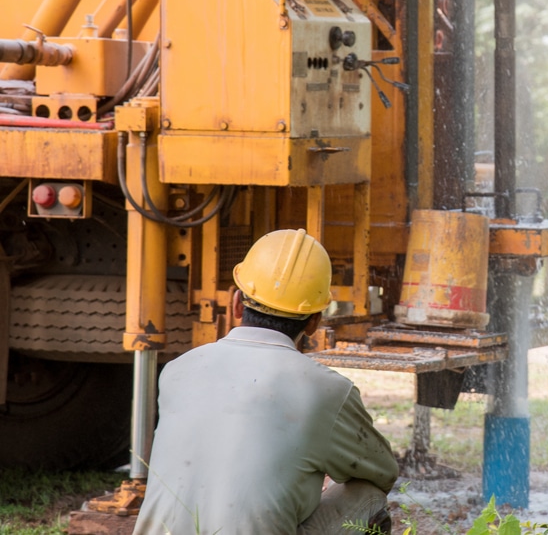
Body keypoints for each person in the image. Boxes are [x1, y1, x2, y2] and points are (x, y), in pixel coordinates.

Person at [135, 228, 399, 534]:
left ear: (236, 303)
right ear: (314, 321)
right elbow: (383, 473)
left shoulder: (177, 370)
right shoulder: (327, 390)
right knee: (369, 495)